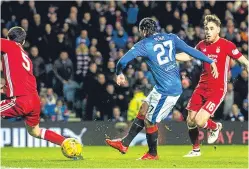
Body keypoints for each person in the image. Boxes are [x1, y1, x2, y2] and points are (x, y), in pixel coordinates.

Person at [105, 18, 218, 160]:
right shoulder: (171, 37)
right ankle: (124, 144)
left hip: (167, 90)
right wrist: (210, 60)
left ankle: (153, 154)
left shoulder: (144, 44)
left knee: (149, 121)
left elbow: (122, 61)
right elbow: (191, 51)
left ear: (144, 31)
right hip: (162, 87)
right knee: (143, 109)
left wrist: (119, 73)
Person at [177, 15, 249, 157]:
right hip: (201, 87)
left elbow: (243, 60)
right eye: (206, 29)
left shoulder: (227, 45)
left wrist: (247, 65)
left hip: (217, 89)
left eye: (211, 28)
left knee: (199, 120)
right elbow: (188, 56)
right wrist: (172, 56)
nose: (208, 31)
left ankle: (215, 127)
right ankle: (196, 150)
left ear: (218, 30)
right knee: (190, 120)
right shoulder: (201, 45)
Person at [0, 27, 70, 150]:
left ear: (8, 38)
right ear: (23, 41)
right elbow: (20, 78)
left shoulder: (10, 45)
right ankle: (66, 143)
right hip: (34, 100)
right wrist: (5, 89)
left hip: (21, 100)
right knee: (35, 132)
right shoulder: (26, 57)